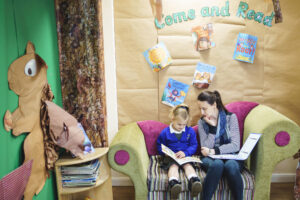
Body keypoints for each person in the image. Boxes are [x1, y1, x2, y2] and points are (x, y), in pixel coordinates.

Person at [197, 90, 243, 200]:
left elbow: (235, 145)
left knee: (231, 166)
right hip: (210, 158)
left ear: (214, 105)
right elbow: (204, 147)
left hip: (231, 155)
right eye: (200, 108)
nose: (202, 112)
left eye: (204, 108)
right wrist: (212, 129)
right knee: (217, 164)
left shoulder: (231, 118)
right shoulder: (201, 122)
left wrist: (214, 151)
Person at [157, 104, 202, 199]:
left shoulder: (190, 131)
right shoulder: (165, 132)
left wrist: (186, 153)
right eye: (179, 124)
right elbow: (159, 145)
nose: (181, 127)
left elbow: (194, 145)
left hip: (185, 156)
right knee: (173, 166)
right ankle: (174, 184)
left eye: (184, 124)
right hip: (171, 157)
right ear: (172, 119)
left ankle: (194, 181)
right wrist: (164, 152)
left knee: (188, 166)